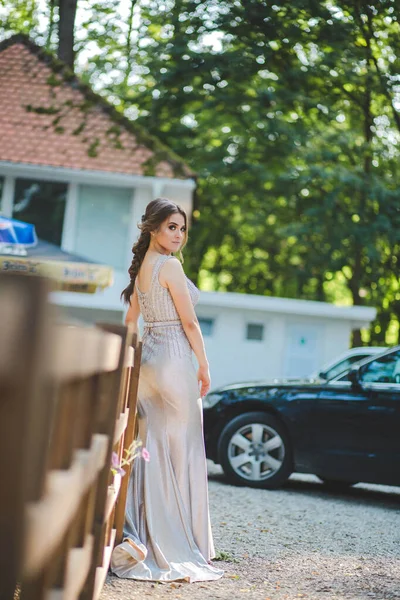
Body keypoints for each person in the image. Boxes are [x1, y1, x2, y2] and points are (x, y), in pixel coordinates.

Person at [111, 198, 224, 583]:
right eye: (171, 227)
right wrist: (205, 365)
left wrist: (126, 363)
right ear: (153, 229)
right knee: (184, 448)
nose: (178, 234)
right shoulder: (170, 266)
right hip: (174, 359)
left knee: (153, 448)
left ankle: (145, 531)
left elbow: (130, 320)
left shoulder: (143, 269)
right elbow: (190, 324)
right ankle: (183, 540)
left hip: (149, 362)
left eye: (182, 228)